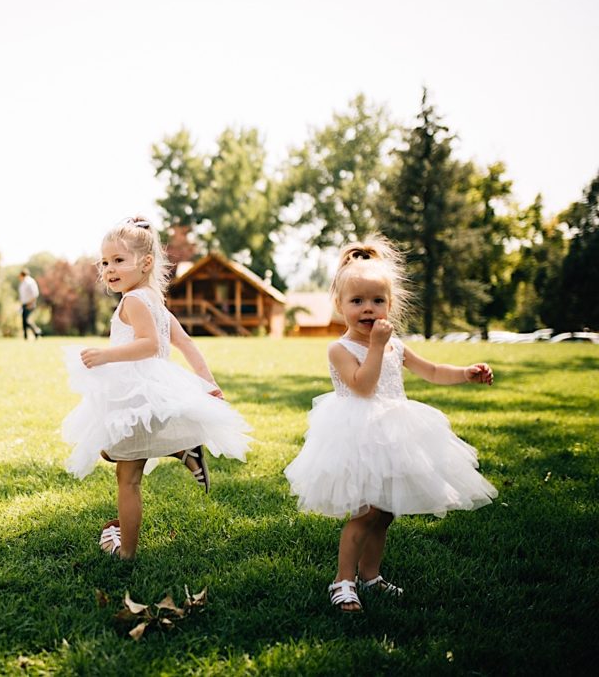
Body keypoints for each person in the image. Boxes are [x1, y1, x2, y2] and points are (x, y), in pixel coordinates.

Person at [283, 235, 498, 613]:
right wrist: (378, 347)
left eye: (377, 301)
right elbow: (363, 387)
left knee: (384, 514)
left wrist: (465, 373)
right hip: (356, 436)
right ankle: (342, 581)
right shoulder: (340, 349)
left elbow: (430, 370)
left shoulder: (395, 344)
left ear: (390, 304)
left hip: (393, 433)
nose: (368, 309)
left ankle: (371, 576)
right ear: (340, 305)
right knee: (364, 513)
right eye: (357, 301)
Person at [61, 217, 252, 559]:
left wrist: (106, 355)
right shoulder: (155, 302)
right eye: (104, 262)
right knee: (110, 450)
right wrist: (207, 382)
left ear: (145, 262)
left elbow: (149, 345)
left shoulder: (134, 301)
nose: (109, 269)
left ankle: (127, 553)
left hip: (135, 393)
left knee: (127, 478)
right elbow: (186, 344)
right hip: (149, 391)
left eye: (118, 260)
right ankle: (184, 451)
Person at [18, 269, 43, 339]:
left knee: (26, 320)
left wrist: (30, 303)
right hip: (24, 303)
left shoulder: (30, 282)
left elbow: (35, 294)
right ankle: (26, 336)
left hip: (30, 304)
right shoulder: (23, 283)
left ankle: (37, 331)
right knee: (24, 321)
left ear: (22, 275)